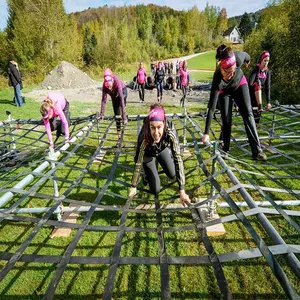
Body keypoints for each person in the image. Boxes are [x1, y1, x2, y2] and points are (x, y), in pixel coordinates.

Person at [202, 46, 267, 161]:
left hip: (240, 85)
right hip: (224, 92)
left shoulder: (238, 58)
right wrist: (206, 132)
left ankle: (257, 151)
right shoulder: (217, 77)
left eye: (233, 71)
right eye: (228, 73)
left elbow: (247, 55)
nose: (231, 75)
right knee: (226, 120)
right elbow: (211, 107)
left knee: (248, 113)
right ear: (222, 68)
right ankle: (225, 149)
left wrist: (248, 61)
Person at [129, 104, 190, 206]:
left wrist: (182, 190)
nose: (156, 133)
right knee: (156, 190)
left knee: (172, 174)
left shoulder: (170, 130)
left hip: (161, 149)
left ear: (164, 123)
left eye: (159, 127)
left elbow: (178, 158)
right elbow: (138, 161)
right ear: (149, 126)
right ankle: (146, 175)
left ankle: (160, 160)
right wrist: (133, 185)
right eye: (152, 127)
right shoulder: (144, 136)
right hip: (148, 154)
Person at [99, 68, 128, 138]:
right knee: (116, 114)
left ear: (112, 81)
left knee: (121, 105)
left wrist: (124, 116)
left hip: (122, 92)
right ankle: (119, 136)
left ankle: (124, 115)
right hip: (114, 95)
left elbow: (121, 97)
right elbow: (103, 100)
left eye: (109, 86)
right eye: (107, 86)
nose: (109, 88)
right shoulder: (104, 86)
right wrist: (102, 114)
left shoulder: (116, 80)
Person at [249, 51, 272, 124]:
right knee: (251, 116)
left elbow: (267, 87)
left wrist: (268, 102)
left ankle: (256, 127)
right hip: (252, 93)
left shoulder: (267, 72)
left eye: (267, 61)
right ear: (261, 60)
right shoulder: (256, 69)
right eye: (264, 60)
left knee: (257, 118)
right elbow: (250, 83)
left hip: (259, 95)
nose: (266, 63)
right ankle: (259, 106)